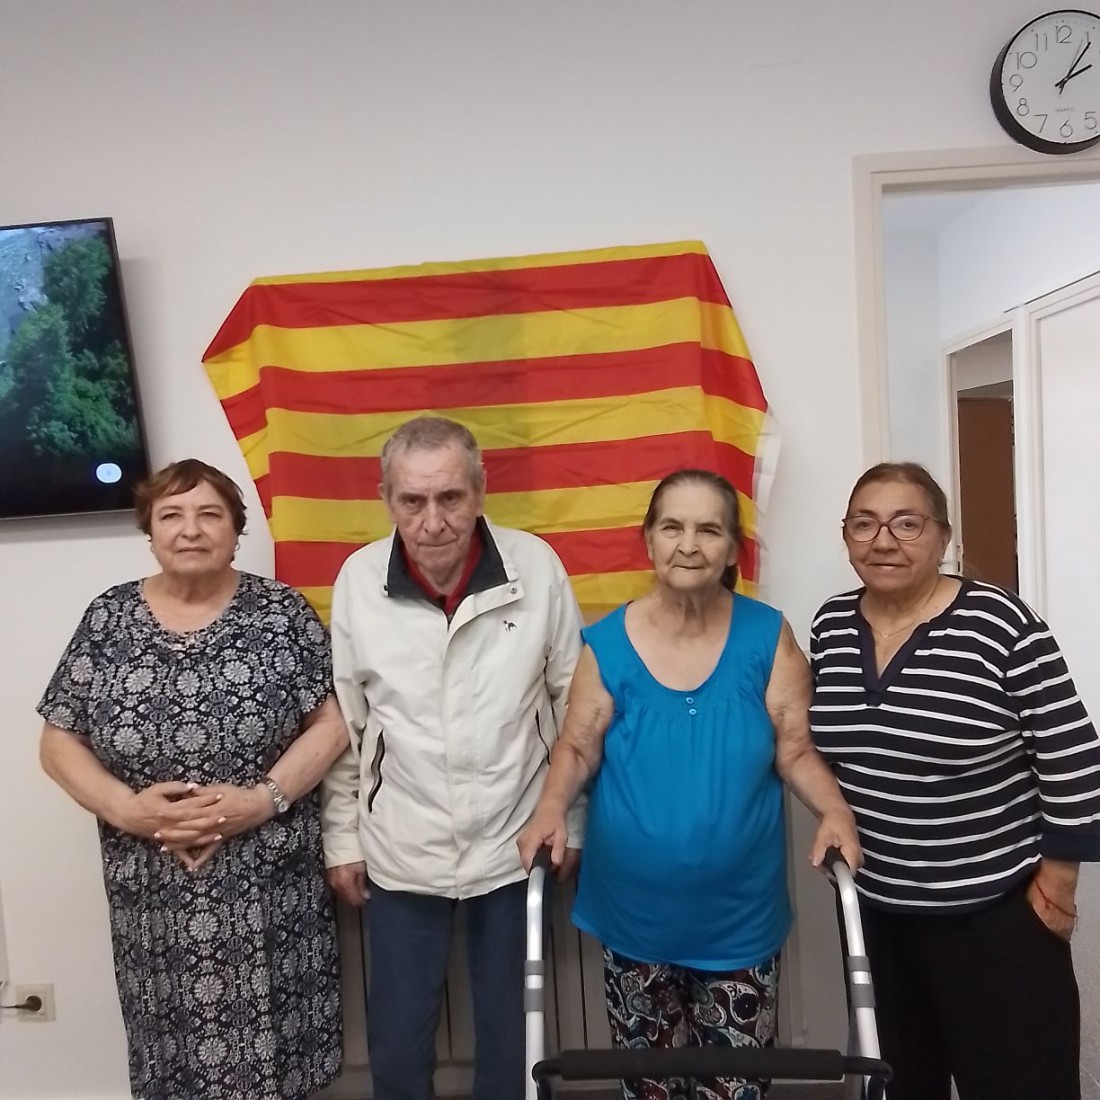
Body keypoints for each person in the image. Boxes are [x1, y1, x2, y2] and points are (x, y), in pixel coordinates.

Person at [519, 468, 861, 1100]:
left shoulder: (768, 636)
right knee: (649, 1086)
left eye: (709, 530)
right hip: (634, 917)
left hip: (740, 918)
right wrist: (550, 808)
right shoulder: (607, 644)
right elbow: (577, 745)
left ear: (732, 549)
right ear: (648, 539)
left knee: (735, 1088)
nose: (689, 544)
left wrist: (835, 812)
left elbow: (795, 749)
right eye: (672, 527)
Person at [37, 459, 349, 1100]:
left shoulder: (282, 613)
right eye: (171, 515)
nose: (190, 529)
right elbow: (58, 740)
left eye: (210, 514)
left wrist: (261, 800)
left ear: (235, 530)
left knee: (278, 1062)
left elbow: (334, 722)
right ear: (149, 532)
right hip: (153, 889)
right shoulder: (108, 618)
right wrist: (128, 810)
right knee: (170, 1058)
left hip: (269, 885)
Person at [810, 461, 1100, 1100]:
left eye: (907, 524)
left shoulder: (1000, 623)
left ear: (943, 536)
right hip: (878, 910)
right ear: (846, 536)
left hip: (994, 912)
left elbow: (1073, 753)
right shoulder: (830, 626)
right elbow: (821, 746)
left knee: (1019, 1084)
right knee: (902, 1082)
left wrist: (1057, 884)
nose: (884, 540)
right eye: (864, 524)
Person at [321, 416, 584, 1100]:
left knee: (514, 1038)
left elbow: (572, 706)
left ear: (480, 491)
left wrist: (572, 819)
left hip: (515, 837)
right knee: (398, 1045)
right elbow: (350, 722)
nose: (433, 521)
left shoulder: (536, 567)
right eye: (412, 501)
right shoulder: (358, 581)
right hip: (401, 844)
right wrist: (343, 839)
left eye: (450, 498)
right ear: (386, 499)